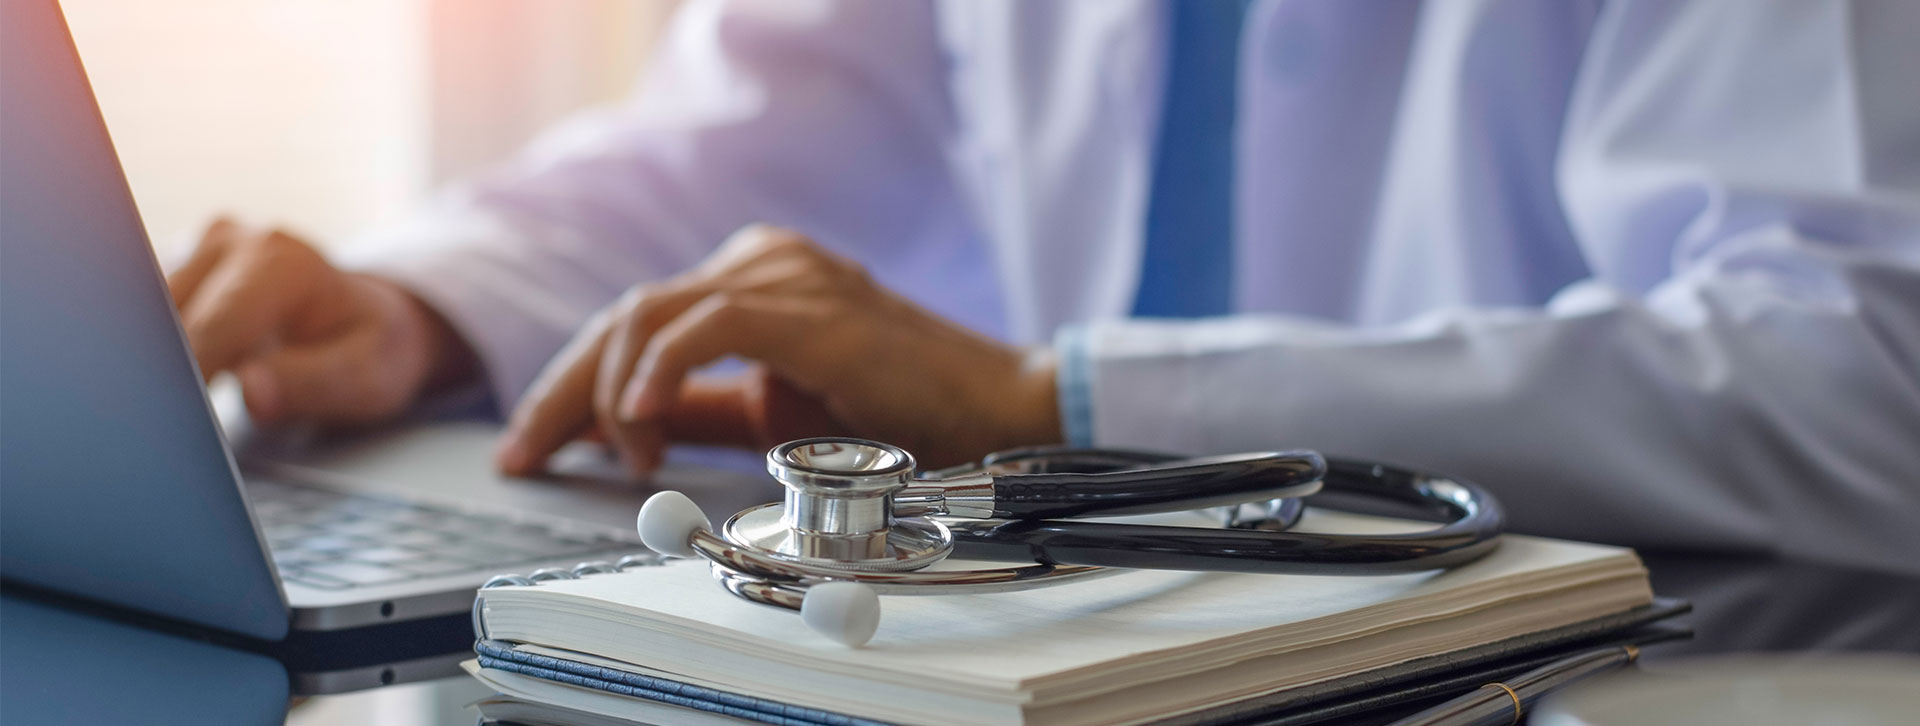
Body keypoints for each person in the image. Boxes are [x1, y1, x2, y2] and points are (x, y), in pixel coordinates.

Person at [167, 1, 1920, 573]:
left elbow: (1864, 366)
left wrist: (1058, 407)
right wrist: (425, 305)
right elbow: (755, 133)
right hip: (1073, 645)